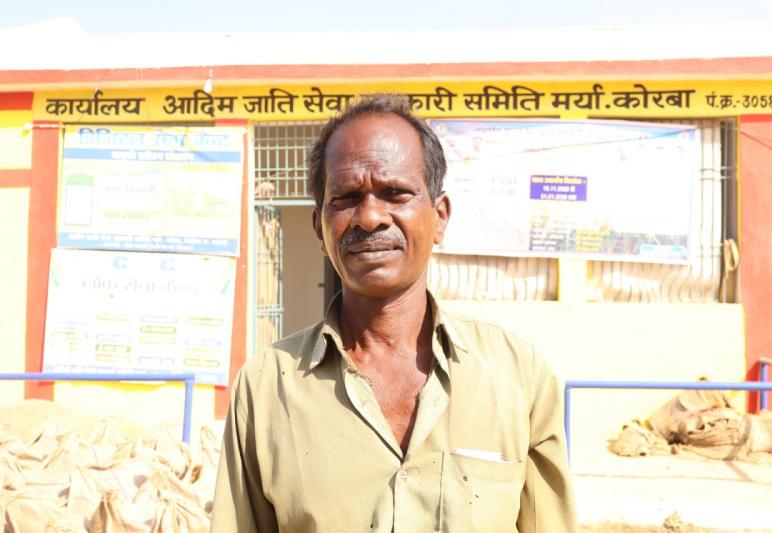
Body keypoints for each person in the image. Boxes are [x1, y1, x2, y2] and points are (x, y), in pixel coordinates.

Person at [211, 93, 576, 532]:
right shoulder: (265, 387)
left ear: (439, 217)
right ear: (319, 227)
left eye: (395, 193)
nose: (369, 218)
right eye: (346, 197)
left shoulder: (518, 375)